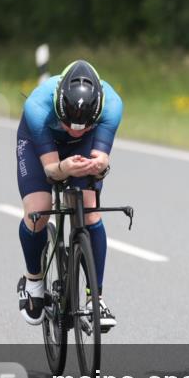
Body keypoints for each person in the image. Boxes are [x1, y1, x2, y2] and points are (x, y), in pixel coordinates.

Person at [15, 60, 123, 330]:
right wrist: (63, 167)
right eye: (68, 123)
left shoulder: (112, 105)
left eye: (84, 125)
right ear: (58, 107)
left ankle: (95, 299)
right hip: (39, 143)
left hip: (82, 148)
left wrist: (100, 166)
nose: (75, 129)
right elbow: (52, 171)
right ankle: (33, 282)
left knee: (89, 206)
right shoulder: (37, 107)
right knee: (38, 209)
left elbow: (101, 160)